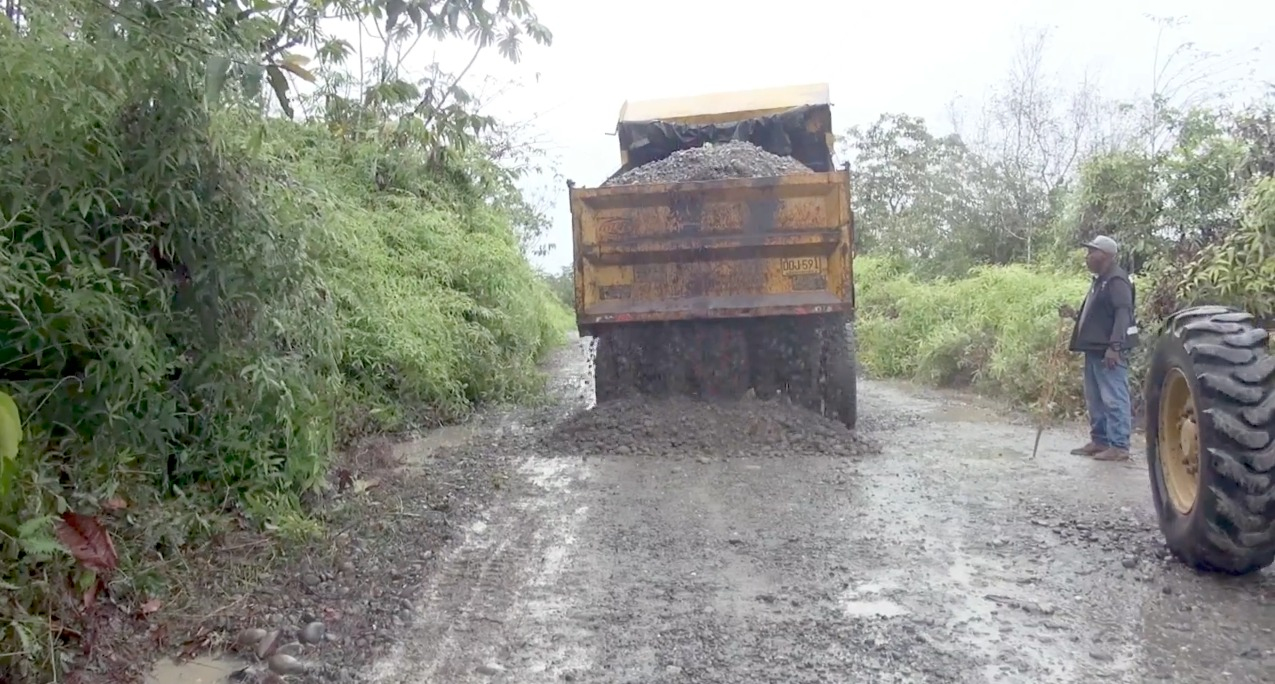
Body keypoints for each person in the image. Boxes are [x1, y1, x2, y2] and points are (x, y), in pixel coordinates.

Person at [1058, 235, 1136, 462]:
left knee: (1113, 397)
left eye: (1092, 252)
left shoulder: (1116, 280)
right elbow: (1099, 317)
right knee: (1096, 399)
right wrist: (1074, 315)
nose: (1088, 256)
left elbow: (1124, 313)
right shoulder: (1100, 280)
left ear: (1106, 255)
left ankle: (1119, 446)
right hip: (1094, 350)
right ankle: (1100, 441)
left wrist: (1115, 347)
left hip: (1108, 352)